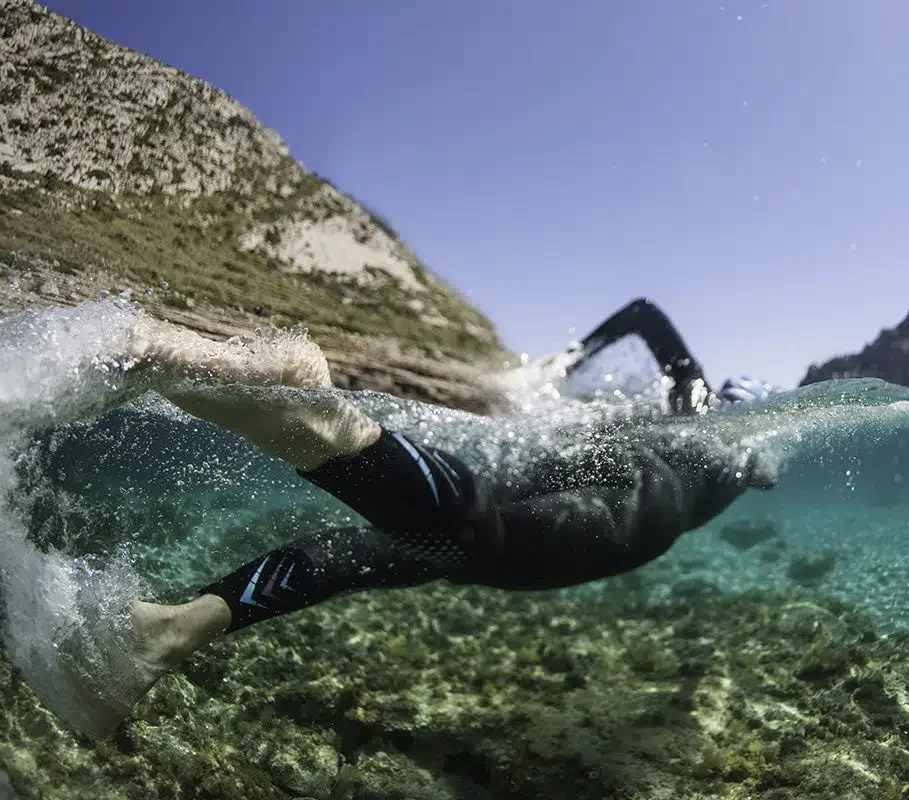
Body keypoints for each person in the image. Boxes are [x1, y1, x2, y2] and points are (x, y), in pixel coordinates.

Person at [67, 311, 779, 737]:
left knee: (415, 545)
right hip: (627, 505)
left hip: (592, 484)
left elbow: (647, 316)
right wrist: (567, 364)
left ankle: (174, 628)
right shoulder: (734, 441)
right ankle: (324, 427)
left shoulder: (704, 412)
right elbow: (654, 319)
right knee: (464, 546)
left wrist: (571, 360)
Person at [555, 298, 780, 414]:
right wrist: (567, 362)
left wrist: (573, 358)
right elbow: (643, 314)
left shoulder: (692, 390)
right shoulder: (694, 389)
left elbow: (642, 313)